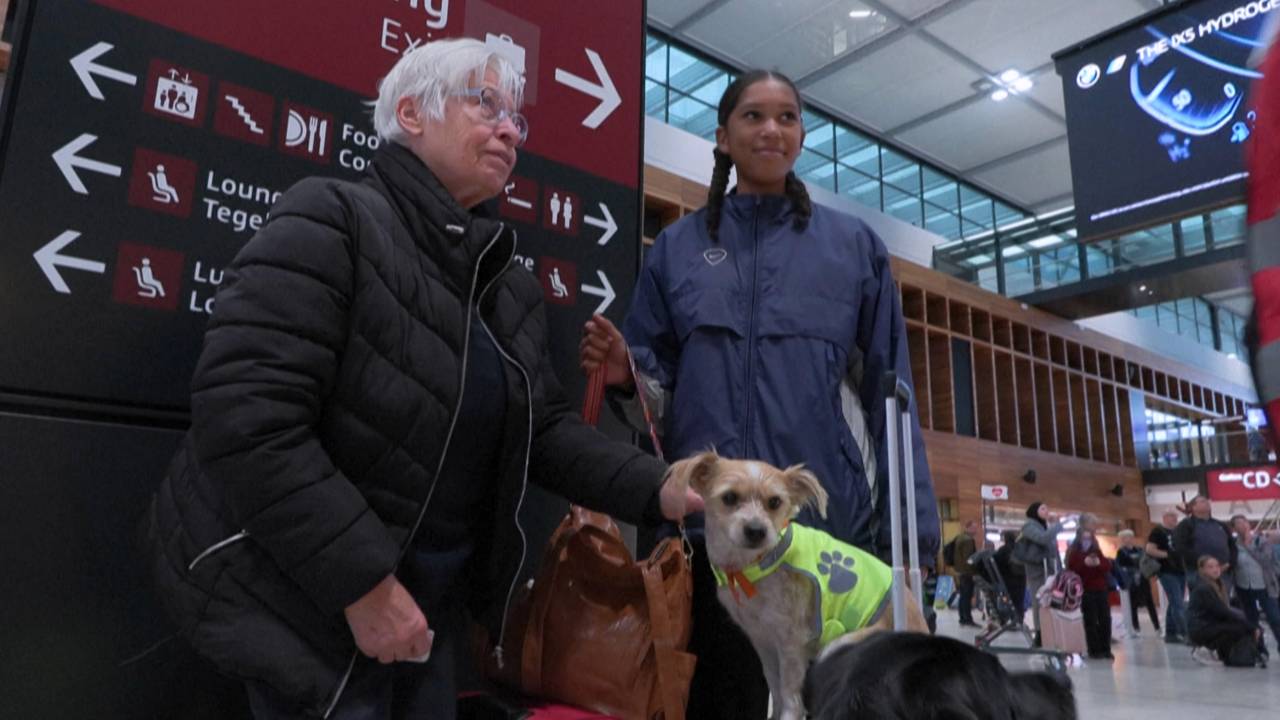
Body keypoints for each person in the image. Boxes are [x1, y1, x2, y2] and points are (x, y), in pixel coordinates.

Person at [142, 40, 701, 720]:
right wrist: (364, 587)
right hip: (303, 605)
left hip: (422, 621)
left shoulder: (508, 288)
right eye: (485, 103)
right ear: (410, 112)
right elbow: (246, 417)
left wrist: (663, 487)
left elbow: (545, 430)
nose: (509, 129)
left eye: (516, 117)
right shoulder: (332, 218)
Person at [578, 69, 939, 720]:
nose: (771, 129)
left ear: (801, 135)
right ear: (723, 136)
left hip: (822, 537)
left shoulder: (853, 249)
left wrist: (914, 542)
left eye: (787, 117)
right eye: (752, 116)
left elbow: (894, 396)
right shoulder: (680, 250)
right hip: (703, 538)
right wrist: (627, 379)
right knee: (716, 701)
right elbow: (653, 394)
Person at [1187, 556, 1262, 666]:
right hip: (1201, 627)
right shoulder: (1203, 588)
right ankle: (1206, 649)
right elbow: (1221, 611)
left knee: (1242, 624)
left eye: (1217, 566)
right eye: (1210, 567)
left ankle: (1228, 654)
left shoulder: (1218, 585)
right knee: (1241, 628)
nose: (1215, 569)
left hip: (1210, 624)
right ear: (1202, 570)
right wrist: (1250, 626)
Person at [1230, 515, 1280, 656]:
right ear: (1234, 528)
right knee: (1251, 620)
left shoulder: (1261, 541)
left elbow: (1265, 560)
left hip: (1265, 586)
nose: (1242, 525)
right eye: (1238, 523)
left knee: (1275, 618)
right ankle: (1259, 649)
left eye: (1244, 522)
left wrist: (1248, 546)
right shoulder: (1233, 545)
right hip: (1244, 586)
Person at [1017, 502, 1064, 645]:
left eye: (1047, 508)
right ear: (1034, 511)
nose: (1047, 511)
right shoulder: (1029, 526)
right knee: (1039, 601)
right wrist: (1057, 526)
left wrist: (1059, 569)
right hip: (1037, 571)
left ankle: (1048, 632)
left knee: (1050, 601)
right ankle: (1039, 633)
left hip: (1049, 570)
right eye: (1043, 508)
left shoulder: (1045, 526)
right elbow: (1042, 539)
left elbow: (1053, 551)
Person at [1066, 529, 1113, 660]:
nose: (1087, 541)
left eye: (1089, 538)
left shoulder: (1097, 552)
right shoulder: (1074, 554)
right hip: (1085, 590)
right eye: (1084, 538)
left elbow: (1106, 567)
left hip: (1101, 589)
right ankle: (1094, 649)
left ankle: (1106, 648)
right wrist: (1084, 563)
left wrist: (1098, 563)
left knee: (1105, 619)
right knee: (1090, 620)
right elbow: (1072, 569)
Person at [1174, 496, 1237, 593]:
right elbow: (1181, 547)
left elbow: (1232, 546)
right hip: (1198, 573)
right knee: (1203, 603)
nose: (1207, 502)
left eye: (1207, 501)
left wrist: (1230, 563)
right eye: (1203, 501)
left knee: (1224, 602)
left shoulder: (1221, 525)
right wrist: (1205, 564)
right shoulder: (1186, 525)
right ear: (1193, 507)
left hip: (1223, 572)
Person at [1146, 510, 1188, 643]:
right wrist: (1166, 555)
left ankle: (1171, 633)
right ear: (1164, 518)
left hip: (1180, 570)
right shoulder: (1158, 531)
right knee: (1178, 603)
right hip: (1167, 571)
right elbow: (1150, 549)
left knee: (1175, 602)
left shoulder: (1178, 532)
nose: (1174, 519)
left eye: (1176, 517)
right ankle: (1184, 633)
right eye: (1171, 516)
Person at [1115, 529, 1159, 637]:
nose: (1127, 540)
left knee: (1150, 603)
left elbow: (1146, 562)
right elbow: (1119, 567)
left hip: (1143, 579)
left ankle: (1157, 626)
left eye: (1129, 537)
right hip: (1131, 581)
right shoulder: (1121, 552)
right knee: (1133, 605)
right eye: (1125, 538)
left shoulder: (1140, 550)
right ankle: (1135, 627)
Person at [994, 529, 1027, 621]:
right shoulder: (1020, 549)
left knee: (1009, 600)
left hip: (1008, 580)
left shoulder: (1002, 550)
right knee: (1019, 600)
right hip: (1021, 578)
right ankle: (1019, 619)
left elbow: (997, 564)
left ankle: (1009, 618)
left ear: (1005, 539)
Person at [953, 520, 980, 627]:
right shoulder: (968, 540)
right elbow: (969, 559)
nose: (976, 530)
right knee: (967, 596)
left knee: (963, 596)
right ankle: (967, 619)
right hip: (967, 573)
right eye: (974, 528)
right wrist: (974, 573)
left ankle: (962, 618)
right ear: (967, 528)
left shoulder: (960, 538)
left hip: (960, 571)